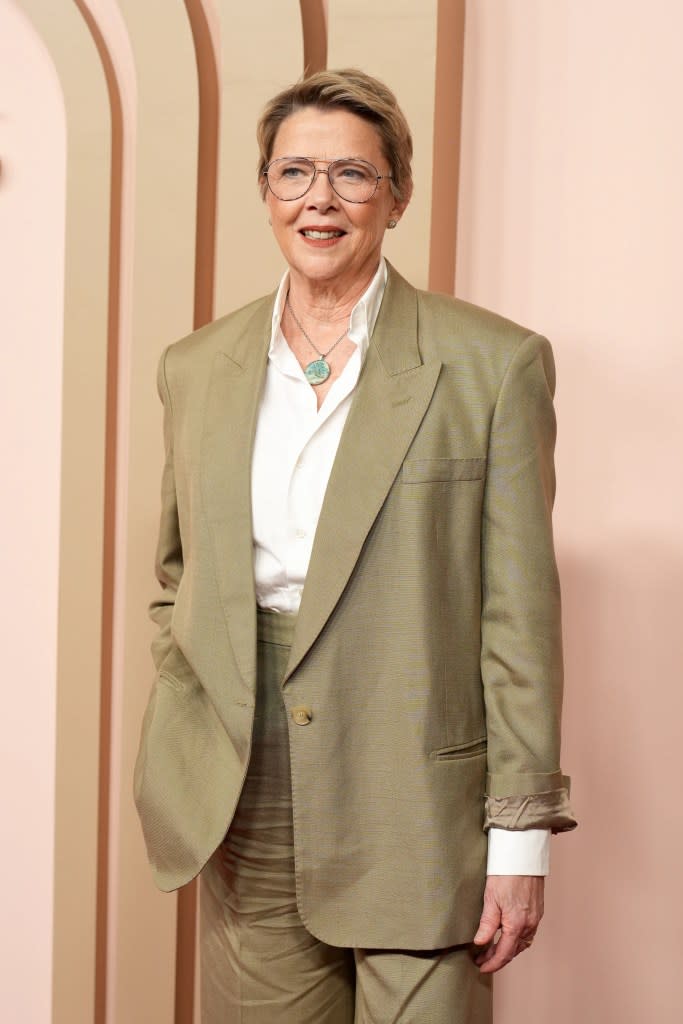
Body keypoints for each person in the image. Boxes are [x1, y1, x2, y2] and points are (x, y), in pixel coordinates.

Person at [134, 68, 577, 1023]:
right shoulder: (196, 366)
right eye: (293, 173)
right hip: (242, 787)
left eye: (351, 175)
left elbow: (518, 623)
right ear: (265, 193)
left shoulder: (492, 365)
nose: (319, 200)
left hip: (417, 797)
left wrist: (519, 840)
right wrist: (192, 696)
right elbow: (178, 577)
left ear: (397, 194)